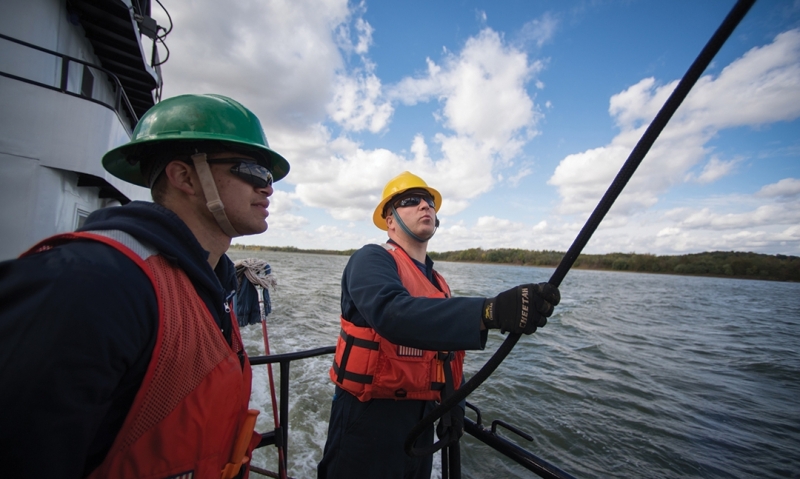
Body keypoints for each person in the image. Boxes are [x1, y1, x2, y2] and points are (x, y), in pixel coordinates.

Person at [0, 94, 290, 479]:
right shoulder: (92, 283)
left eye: (269, 178)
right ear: (185, 177)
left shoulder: (210, 282)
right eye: (253, 171)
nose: (267, 188)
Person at [317, 171, 560, 479]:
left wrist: (453, 404)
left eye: (429, 201)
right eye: (410, 201)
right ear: (389, 221)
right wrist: (489, 311)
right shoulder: (371, 259)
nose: (424, 206)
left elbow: (444, 354)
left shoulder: (438, 283)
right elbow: (392, 313)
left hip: (422, 419)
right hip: (367, 417)